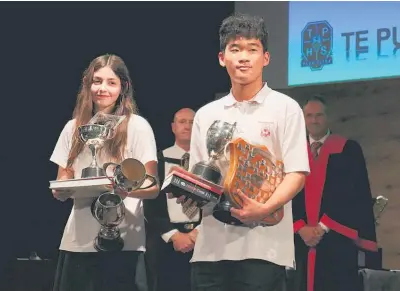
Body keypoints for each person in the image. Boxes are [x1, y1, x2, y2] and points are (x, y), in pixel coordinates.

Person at [171, 14, 310, 291]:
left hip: (265, 249)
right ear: (222, 58)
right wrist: (185, 186)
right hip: (211, 248)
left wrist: (264, 209)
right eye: (235, 49)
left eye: (252, 49)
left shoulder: (286, 108)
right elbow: (203, 176)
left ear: (266, 58)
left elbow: (297, 172)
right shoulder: (207, 114)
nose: (243, 57)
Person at [50, 54, 159, 291]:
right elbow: (64, 176)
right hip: (77, 240)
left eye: (111, 82)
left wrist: (125, 189)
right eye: (96, 81)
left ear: (123, 87)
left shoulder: (137, 126)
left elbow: (152, 187)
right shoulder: (73, 127)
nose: (102, 88)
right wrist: (62, 190)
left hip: (123, 241)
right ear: (87, 84)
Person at [291, 96, 377, 291]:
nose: (314, 120)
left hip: (337, 238)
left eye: (319, 115)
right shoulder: (294, 152)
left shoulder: (347, 149)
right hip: (300, 241)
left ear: (327, 118)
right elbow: (288, 195)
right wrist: (300, 227)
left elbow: (354, 193)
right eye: (309, 116)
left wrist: (323, 226)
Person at [144, 108, 199, 291]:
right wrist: (174, 235)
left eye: (192, 122)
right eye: (182, 121)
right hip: (165, 240)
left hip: (203, 238)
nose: (187, 126)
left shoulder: (209, 163)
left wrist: (198, 233)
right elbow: (148, 202)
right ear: (173, 127)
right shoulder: (157, 161)